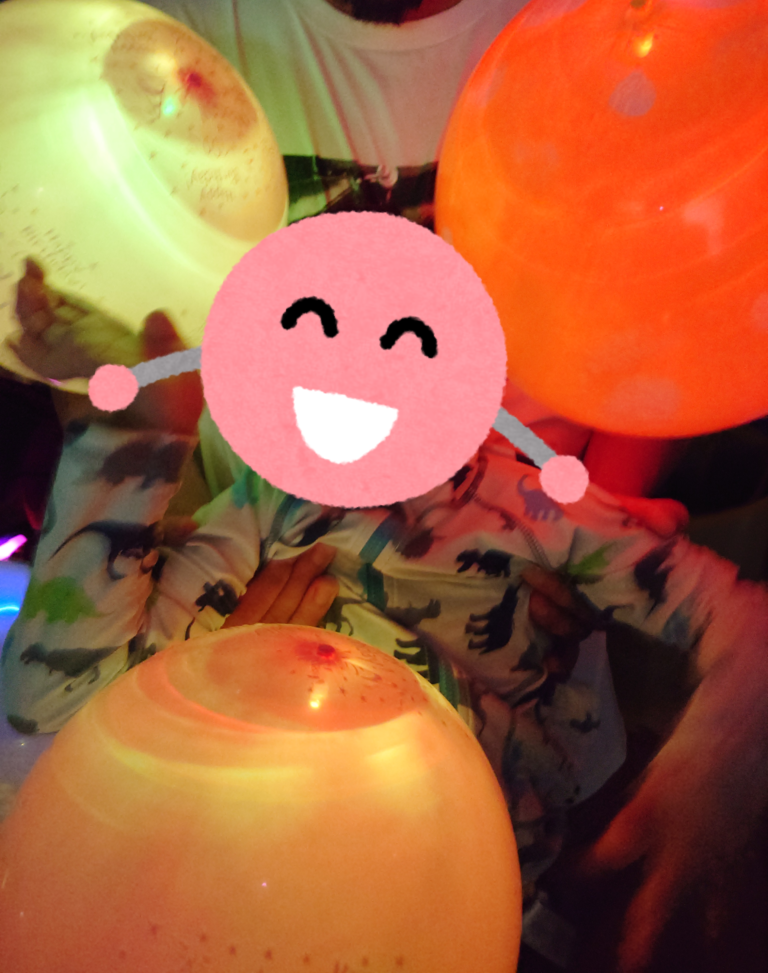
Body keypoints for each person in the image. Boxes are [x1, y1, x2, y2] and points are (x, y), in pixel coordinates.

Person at [3, 261, 768, 973]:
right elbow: (66, 699)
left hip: (431, 815)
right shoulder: (274, 495)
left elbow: (723, 607)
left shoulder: (532, 505)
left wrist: (725, 741)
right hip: (281, 772)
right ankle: (132, 435)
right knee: (57, 716)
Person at [109, 0, 683, 501]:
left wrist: (598, 528)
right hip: (255, 538)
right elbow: (114, 347)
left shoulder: (629, 18)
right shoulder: (147, 35)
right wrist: (198, 546)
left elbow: (671, 305)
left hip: (537, 527)